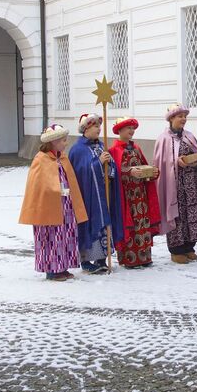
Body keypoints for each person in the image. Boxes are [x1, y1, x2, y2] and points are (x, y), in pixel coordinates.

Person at [19, 124, 89, 280]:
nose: (66, 143)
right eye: (63, 140)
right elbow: (37, 184)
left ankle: (63, 267)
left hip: (66, 206)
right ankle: (52, 270)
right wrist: (53, 189)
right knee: (52, 238)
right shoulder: (41, 159)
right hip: (49, 208)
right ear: (53, 142)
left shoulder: (62, 158)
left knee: (66, 236)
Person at [153, 103, 197, 264]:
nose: (183, 119)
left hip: (191, 184)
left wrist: (194, 162)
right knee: (177, 215)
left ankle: (189, 247)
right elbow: (162, 163)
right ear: (171, 118)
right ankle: (176, 250)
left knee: (191, 214)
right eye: (180, 116)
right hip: (174, 185)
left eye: (185, 116)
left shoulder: (189, 136)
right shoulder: (163, 139)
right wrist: (176, 162)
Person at [68, 113, 123, 274]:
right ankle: (86, 260)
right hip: (88, 197)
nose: (99, 129)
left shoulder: (100, 145)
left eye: (99, 126)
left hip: (104, 194)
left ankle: (101, 258)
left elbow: (110, 167)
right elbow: (81, 171)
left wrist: (109, 164)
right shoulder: (78, 149)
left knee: (105, 225)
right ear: (85, 128)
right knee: (89, 224)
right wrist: (98, 162)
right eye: (95, 126)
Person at [109, 117, 161, 268]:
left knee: (142, 224)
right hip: (126, 196)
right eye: (128, 128)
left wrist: (151, 172)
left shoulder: (136, 148)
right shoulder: (114, 150)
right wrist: (128, 172)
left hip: (141, 194)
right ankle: (130, 258)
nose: (131, 131)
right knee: (129, 226)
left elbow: (143, 165)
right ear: (120, 130)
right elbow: (114, 172)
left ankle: (144, 256)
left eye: (133, 128)